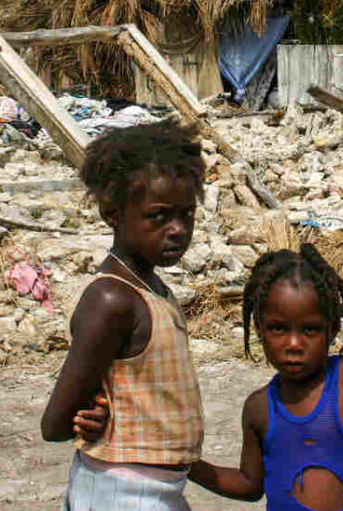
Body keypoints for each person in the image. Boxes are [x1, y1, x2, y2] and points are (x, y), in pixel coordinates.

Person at [41, 120, 206, 511]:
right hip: (121, 491)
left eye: (187, 215)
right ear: (112, 213)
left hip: (155, 488)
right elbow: (56, 424)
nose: (177, 230)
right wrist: (87, 418)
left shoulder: (151, 289)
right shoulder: (113, 299)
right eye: (159, 216)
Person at [189, 245, 343, 511]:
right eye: (278, 329)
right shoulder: (259, 408)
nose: (293, 344)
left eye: (310, 330)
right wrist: (190, 467)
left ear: (333, 328)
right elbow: (250, 485)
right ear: (259, 329)